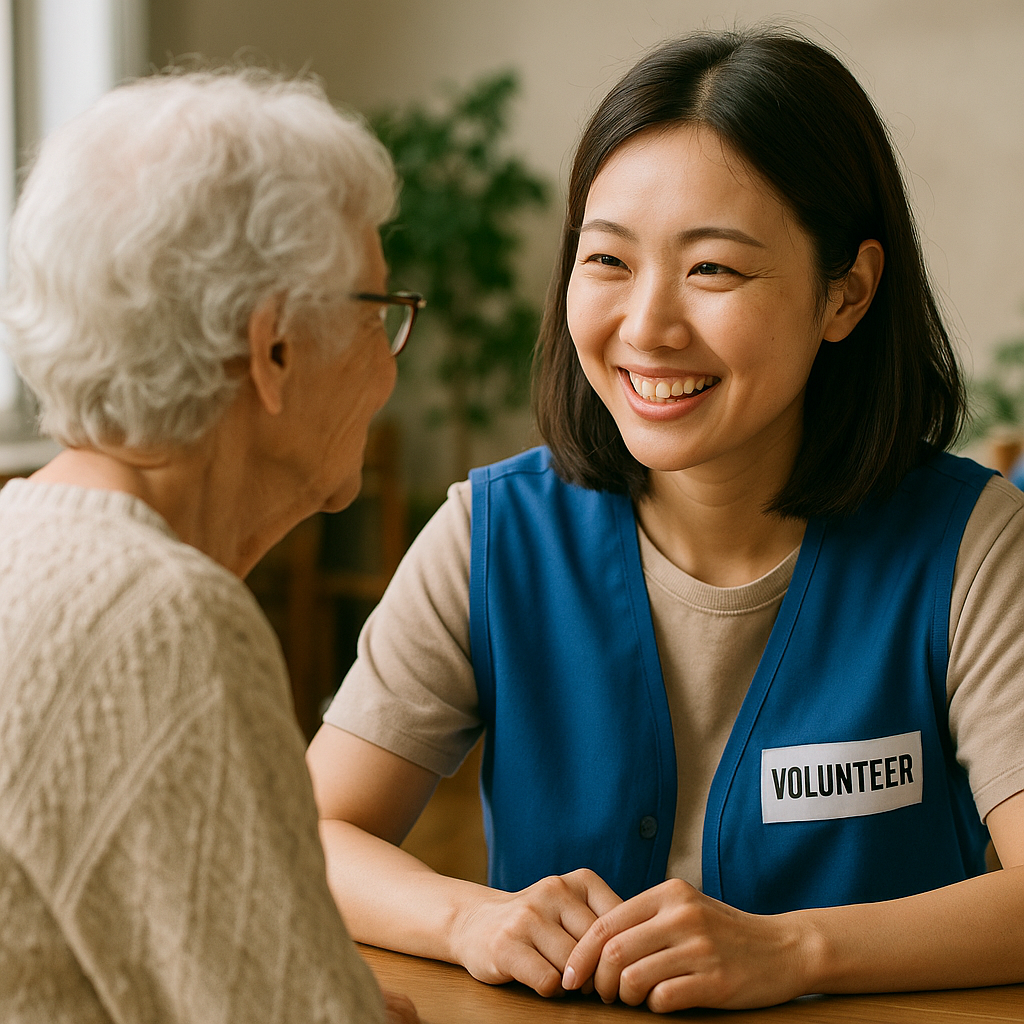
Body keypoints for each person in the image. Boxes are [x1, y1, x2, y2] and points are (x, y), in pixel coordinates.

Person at [305, 28, 1024, 1013]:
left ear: (845, 293)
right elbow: (312, 836)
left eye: (713, 271)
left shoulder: (972, 542)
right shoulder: (489, 537)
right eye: (606, 259)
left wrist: (795, 950)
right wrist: (465, 917)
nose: (645, 326)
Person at [0, 70, 422, 1023]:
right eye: (374, 315)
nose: (386, 366)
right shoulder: (158, 617)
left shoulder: (22, 544)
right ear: (272, 349)